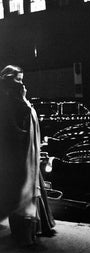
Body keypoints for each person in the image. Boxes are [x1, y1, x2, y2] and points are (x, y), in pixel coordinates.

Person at [0, 65, 55, 246]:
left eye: (22, 79)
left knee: (29, 187)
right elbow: (14, 128)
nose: (21, 83)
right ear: (8, 79)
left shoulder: (13, 98)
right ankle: (26, 232)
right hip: (16, 156)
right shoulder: (7, 100)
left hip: (24, 153)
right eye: (18, 79)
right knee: (21, 191)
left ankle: (38, 226)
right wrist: (24, 100)